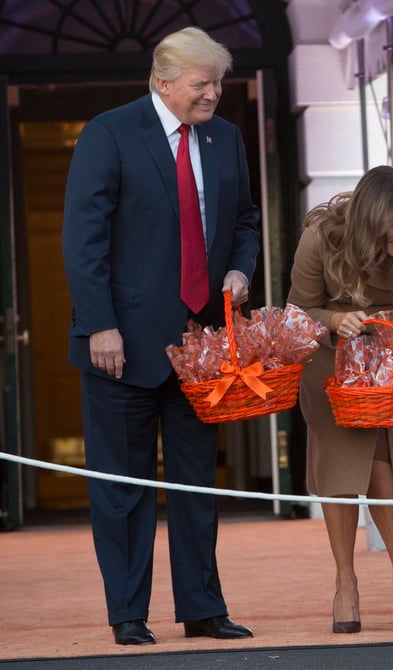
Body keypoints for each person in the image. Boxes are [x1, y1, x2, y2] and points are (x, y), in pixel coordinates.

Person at [61, 27, 260, 645]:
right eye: (202, 84)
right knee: (122, 488)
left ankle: (203, 608)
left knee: (197, 484)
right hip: (120, 344)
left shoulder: (225, 138)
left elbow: (245, 220)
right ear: (163, 82)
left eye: (218, 82)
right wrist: (99, 324)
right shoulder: (109, 134)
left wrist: (240, 267)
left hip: (201, 346)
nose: (214, 94)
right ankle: (128, 614)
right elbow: (83, 239)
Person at [287, 166, 393, 634]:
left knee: (384, 465)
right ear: (369, 217)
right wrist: (336, 323)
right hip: (330, 367)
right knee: (338, 473)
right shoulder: (321, 238)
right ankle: (345, 583)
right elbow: (298, 312)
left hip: (389, 370)